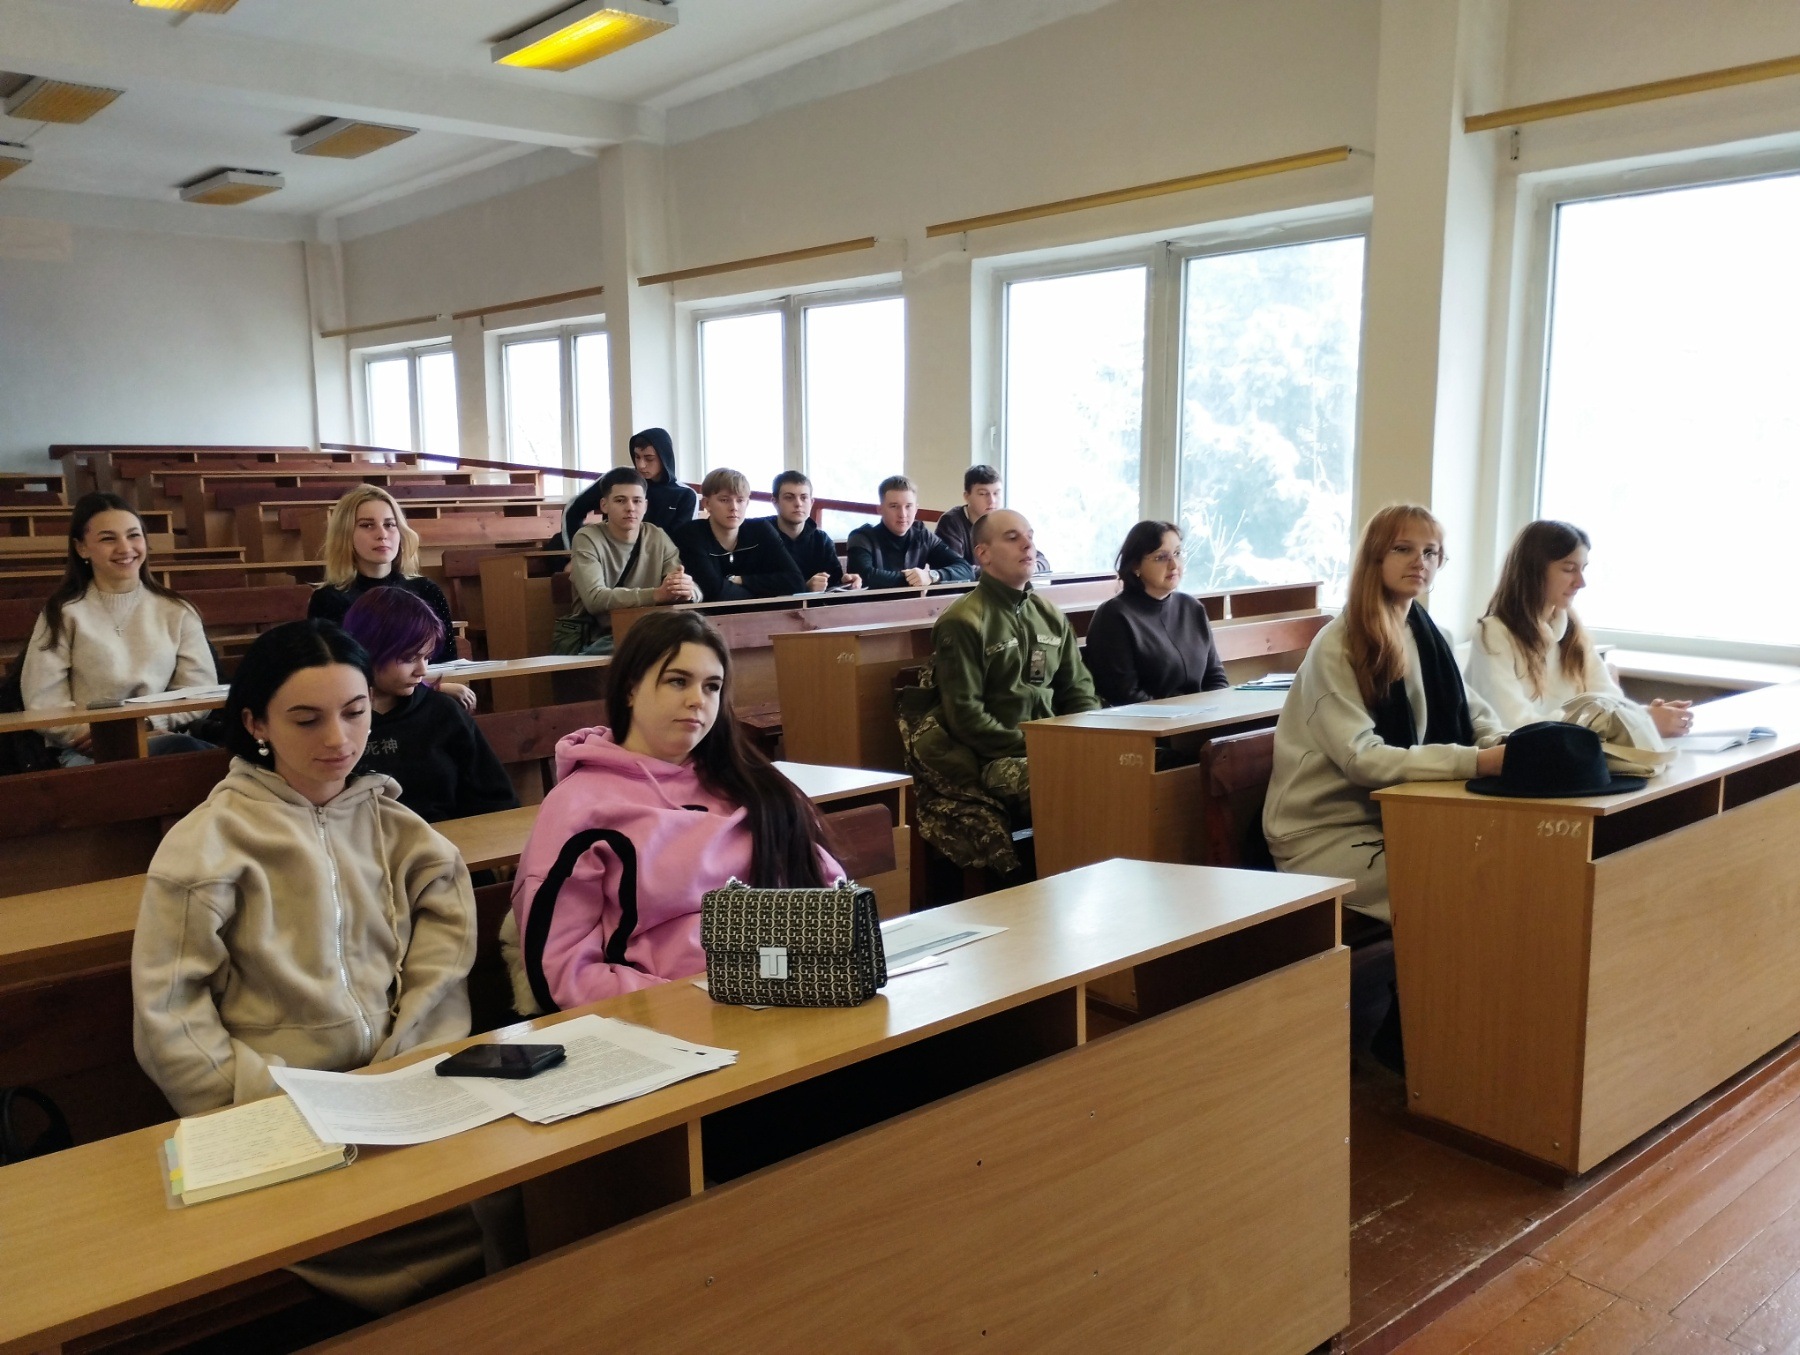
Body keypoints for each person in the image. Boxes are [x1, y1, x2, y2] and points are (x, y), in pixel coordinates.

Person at [132, 619, 483, 1311]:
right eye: (306, 719)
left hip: (400, 1091)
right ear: (255, 722)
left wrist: (412, 1058)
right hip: (277, 1108)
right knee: (392, 1235)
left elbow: (444, 955)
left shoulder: (398, 829)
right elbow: (169, 1011)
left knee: (513, 1197)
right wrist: (257, 1097)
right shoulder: (207, 845)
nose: (338, 739)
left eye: (355, 712)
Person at [506, 610, 841, 1014]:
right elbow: (561, 974)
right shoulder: (579, 808)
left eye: (712, 686)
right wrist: (693, 1009)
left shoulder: (753, 786)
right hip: (666, 1021)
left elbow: (827, 899)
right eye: (678, 681)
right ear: (630, 689)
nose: (698, 700)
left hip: (786, 995)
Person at [1263, 504, 1508, 925]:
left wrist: (1503, 744)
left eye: (1430, 552)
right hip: (1326, 833)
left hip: (1399, 815)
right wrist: (1478, 762)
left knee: (1511, 857)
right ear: (1374, 557)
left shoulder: (1428, 634)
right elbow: (1363, 758)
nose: (1419, 561)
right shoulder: (1338, 645)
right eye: (1403, 549)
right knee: (1466, 879)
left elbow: (1471, 712)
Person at [907, 509, 1099, 811]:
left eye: (1030, 537)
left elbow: (1078, 690)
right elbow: (967, 717)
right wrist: (1039, 745)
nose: (1027, 545)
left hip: (1056, 746)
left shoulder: (1049, 615)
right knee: (1074, 777)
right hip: (997, 759)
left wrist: (1085, 738)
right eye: (1012, 538)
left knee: (1131, 765)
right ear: (983, 554)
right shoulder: (964, 621)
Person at [21, 492, 217, 766]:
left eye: (134, 535)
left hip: (163, 738)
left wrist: (148, 723)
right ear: (81, 548)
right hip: (85, 751)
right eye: (108, 539)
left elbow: (200, 690)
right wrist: (100, 736)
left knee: (199, 757)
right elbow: (43, 700)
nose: (125, 548)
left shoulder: (177, 610)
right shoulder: (63, 613)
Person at [1466, 519, 1693, 737]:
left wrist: (1645, 716)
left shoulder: (1571, 630)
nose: (1581, 582)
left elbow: (1610, 701)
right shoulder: (1493, 634)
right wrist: (1637, 722)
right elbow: (1515, 726)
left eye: (1583, 568)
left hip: (1572, 753)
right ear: (1533, 570)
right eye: (1569, 569)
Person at [339, 588, 519, 824]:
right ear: (367, 651)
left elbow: (496, 797)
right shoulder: (336, 720)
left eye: (426, 657)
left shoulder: (443, 712)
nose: (422, 670)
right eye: (409, 658)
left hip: (445, 839)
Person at [307, 485, 458, 667]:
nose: (382, 534)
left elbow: (447, 662)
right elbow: (332, 670)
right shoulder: (328, 599)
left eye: (390, 525)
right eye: (367, 525)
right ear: (345, 534)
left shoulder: (426, 590)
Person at [1084, 521, 1228, 706]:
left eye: (1177, 553)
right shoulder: (1114, 616)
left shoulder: (1192, 608)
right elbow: (1124, 694)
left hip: (1198, 718)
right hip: (1146, 720)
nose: (1174, 564)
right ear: (1135, 565)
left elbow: (1216, 677)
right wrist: (1178, 717)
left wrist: (1210, 712)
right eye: (1161, 557)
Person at [561, 466, 697, 654]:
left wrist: (687, 590)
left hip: (650, 632)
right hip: (600, 636)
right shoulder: (587, 538)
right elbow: (595, 599)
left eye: (637, 501)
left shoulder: (657, 536)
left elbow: (685, 587)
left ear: (645, 506)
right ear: (604, 505)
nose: (630, 508)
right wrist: (655, 595)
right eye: (620, 500)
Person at [672, 468, 805, 601]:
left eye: (740, 500)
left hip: (763, 613)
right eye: (724, 500)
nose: (734, 507)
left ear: (747, 503)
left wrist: (742, 580)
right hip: (707, 614)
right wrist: (764, 592)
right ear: (707, 503)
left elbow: (796, 582)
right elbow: (714, 592)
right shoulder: (691, 534)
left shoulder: (761, 530)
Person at [561, 428, 697, 545]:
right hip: (611, 558)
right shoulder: (619, 478)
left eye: (649, 458)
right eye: (637, 457)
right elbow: (573, 509)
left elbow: (680, 542)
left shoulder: (685, 495)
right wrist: (576, 553)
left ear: (664, 457)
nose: (641, 465)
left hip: (661, 563)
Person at [847, 476, 975, 590]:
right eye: (894, 506)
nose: (902, 514)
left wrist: (931, 576)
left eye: (908, 506)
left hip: (914, 607)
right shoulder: (862, 537)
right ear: (880, 509)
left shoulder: (922, 536)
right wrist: (915, 579)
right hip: (872, 607)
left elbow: (966, 569)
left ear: (916, 509)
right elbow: (864, 576)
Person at [933, 464, 1053, 574]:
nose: (992, 501)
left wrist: (1030, 567)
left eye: (996, 493)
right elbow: (956, 569)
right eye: (983, 494)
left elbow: (1041, 560)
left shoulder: (1006, 520)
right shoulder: (951, 522)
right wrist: (1007, 569)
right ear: (967, 496)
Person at [762, 470, 861, 592]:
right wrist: (805, 588)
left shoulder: (822, 540)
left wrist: (846, 583)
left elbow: (833, 584)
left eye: (804, 497)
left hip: (818, 604)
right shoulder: (760, 534)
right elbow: (753, 586)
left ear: (811, 503)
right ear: (775, 502)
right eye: (789, 497)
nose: (798, 504)